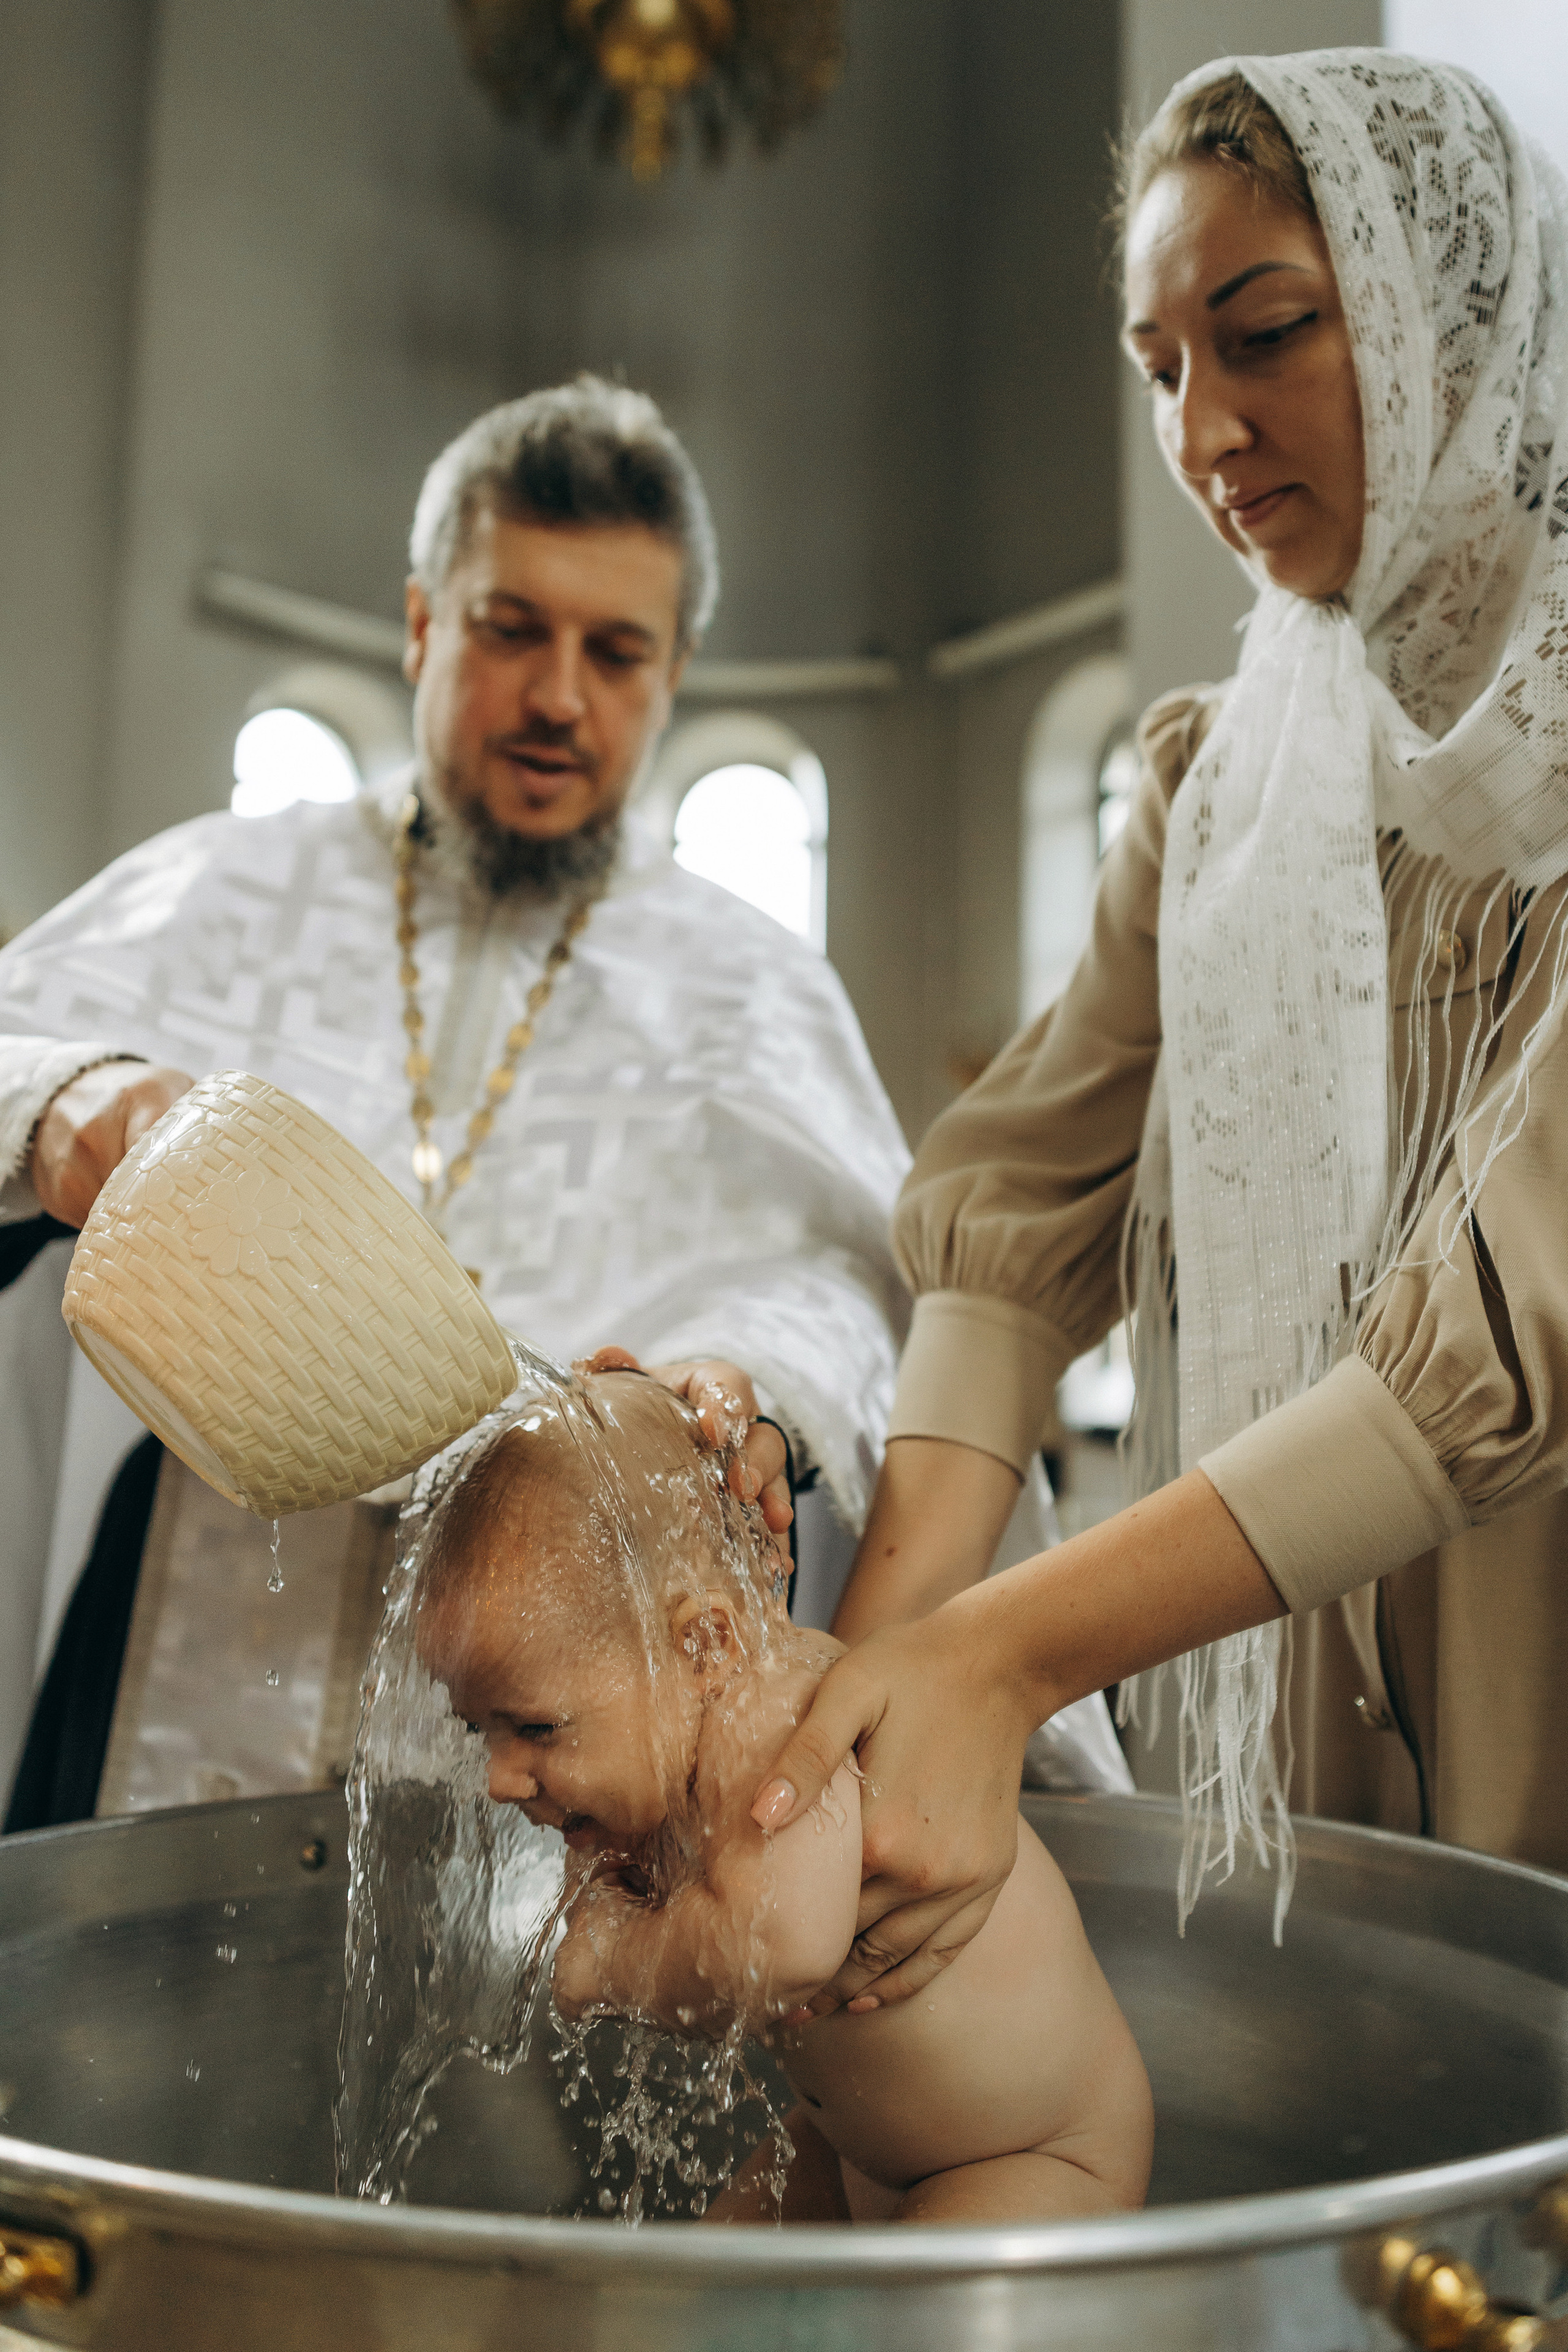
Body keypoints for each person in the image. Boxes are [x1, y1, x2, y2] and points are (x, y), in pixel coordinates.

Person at [749, 50, 1568, 2013]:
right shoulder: (1224, 794)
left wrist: (1010, 1654)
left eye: (1267, 333)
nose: (1204, 431)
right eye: (1159, 368)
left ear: (1453, 320)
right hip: (1294, 1724)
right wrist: (872, 1661)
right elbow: (1020, 1218)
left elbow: (1518, 1316)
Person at [0, 377, 910, 1825]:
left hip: (566, 1669)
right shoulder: (230, 886)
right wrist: (67, 1100)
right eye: (509, 629)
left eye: (616, 653)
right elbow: (15, 1038)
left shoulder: (750, 985)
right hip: (195, 1608)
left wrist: (736, 1381)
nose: (559, 696)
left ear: (673, 676)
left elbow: (842, 1283)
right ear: (424, 624)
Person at [417, 1365, 1153, 2225]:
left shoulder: (777, 1719)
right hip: (853, 2145)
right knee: (697, 2310)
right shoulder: (668, 1745)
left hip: (1030, 2154)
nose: (499, 1780)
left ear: (702, 1646)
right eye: (481, 1732)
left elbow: (786, 1944)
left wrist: (623, 1962)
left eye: (535, 1730)